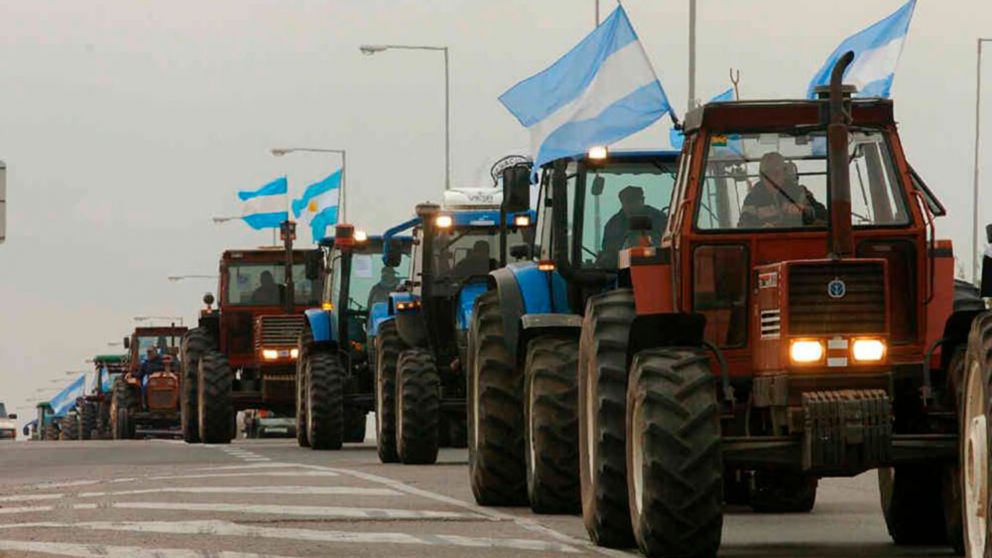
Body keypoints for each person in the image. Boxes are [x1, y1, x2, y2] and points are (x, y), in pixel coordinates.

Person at [739, 152, 827, 228]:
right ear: (761, 177)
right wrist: (761, 229)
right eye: (767, 174)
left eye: (776, 173)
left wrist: (805, 210)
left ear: (784, 173)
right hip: (766, 244)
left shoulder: (799, 192)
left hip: (798, 241)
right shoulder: (753, 198)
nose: (772, 178)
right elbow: (743, 225)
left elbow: (824, 215)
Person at [599, 185, 668, 267]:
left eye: (632, 201)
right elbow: (609, 250)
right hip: (621, 270)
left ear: (642, 200)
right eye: (626, 202)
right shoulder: (613, 225)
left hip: (656, 267)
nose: (629, 206)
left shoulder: (659, 219)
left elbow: (666, 245)